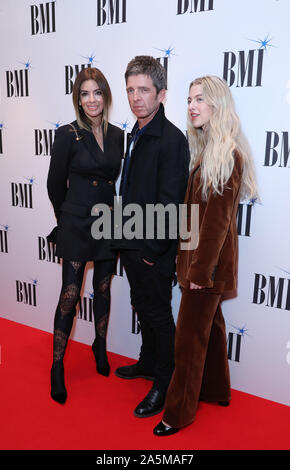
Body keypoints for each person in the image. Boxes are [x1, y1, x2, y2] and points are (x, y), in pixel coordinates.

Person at [153, 75, 258, 435]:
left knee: (188, 342)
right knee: (209, 329)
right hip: (202, 264)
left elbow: (216, 223)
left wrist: (199, 273)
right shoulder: (209, 150)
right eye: (188, 100)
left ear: (218, 105)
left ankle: (177, 413)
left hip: (206, 269)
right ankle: (218, 390)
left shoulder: (227, 154)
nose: (192, 106)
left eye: (200, 99)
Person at [113, 56, 190, 418]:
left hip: (152, 250)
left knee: (158, 315)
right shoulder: (136, 131)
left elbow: (170, 202)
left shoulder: (171, 139)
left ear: (161, 94)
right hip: (130, 241)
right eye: (130, 90)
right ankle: (147, 362)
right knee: (142, 306)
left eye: (143, 90)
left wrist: (151, 251)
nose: (135, 97)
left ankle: (164, 380)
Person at [47, 67, 124, 404]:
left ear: (105, 95)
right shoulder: (67, 134)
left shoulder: (119, 135)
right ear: (77, 99)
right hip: (77, 222)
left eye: (97, 92)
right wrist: (66, 220)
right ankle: (57, 364)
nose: (91, 100)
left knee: (104, 287)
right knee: (70, 293)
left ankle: (100, 345)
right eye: (84, 93)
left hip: (108, 220)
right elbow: (54, 185)